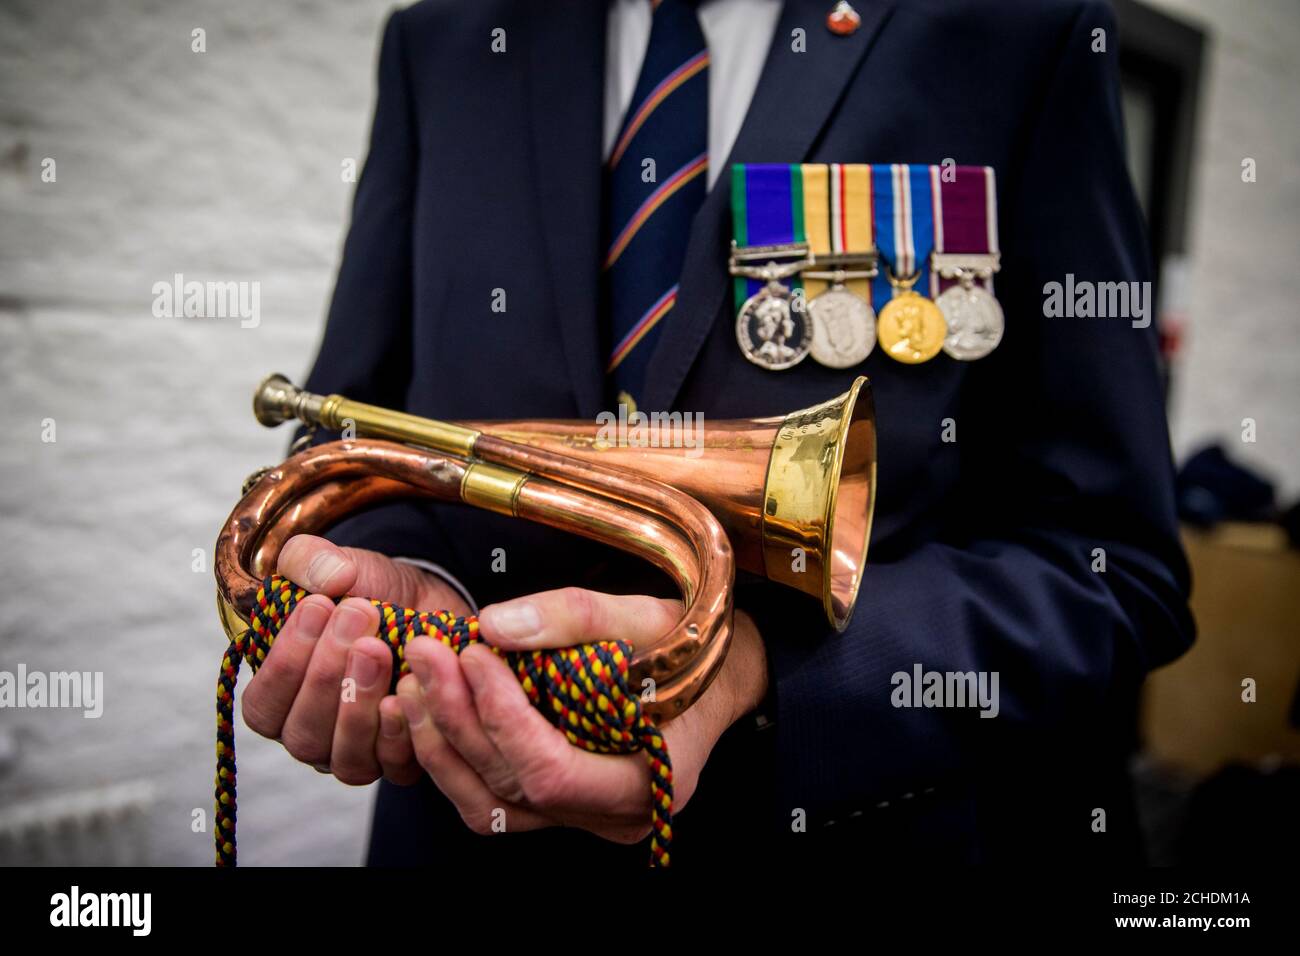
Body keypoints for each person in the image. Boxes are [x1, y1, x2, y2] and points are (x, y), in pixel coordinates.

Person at [238, 0, 1194, 866]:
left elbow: (1114, 567)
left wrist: (756, 671)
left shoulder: (1017, 28)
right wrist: (402, 596)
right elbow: (347, 449)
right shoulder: (442, 42)